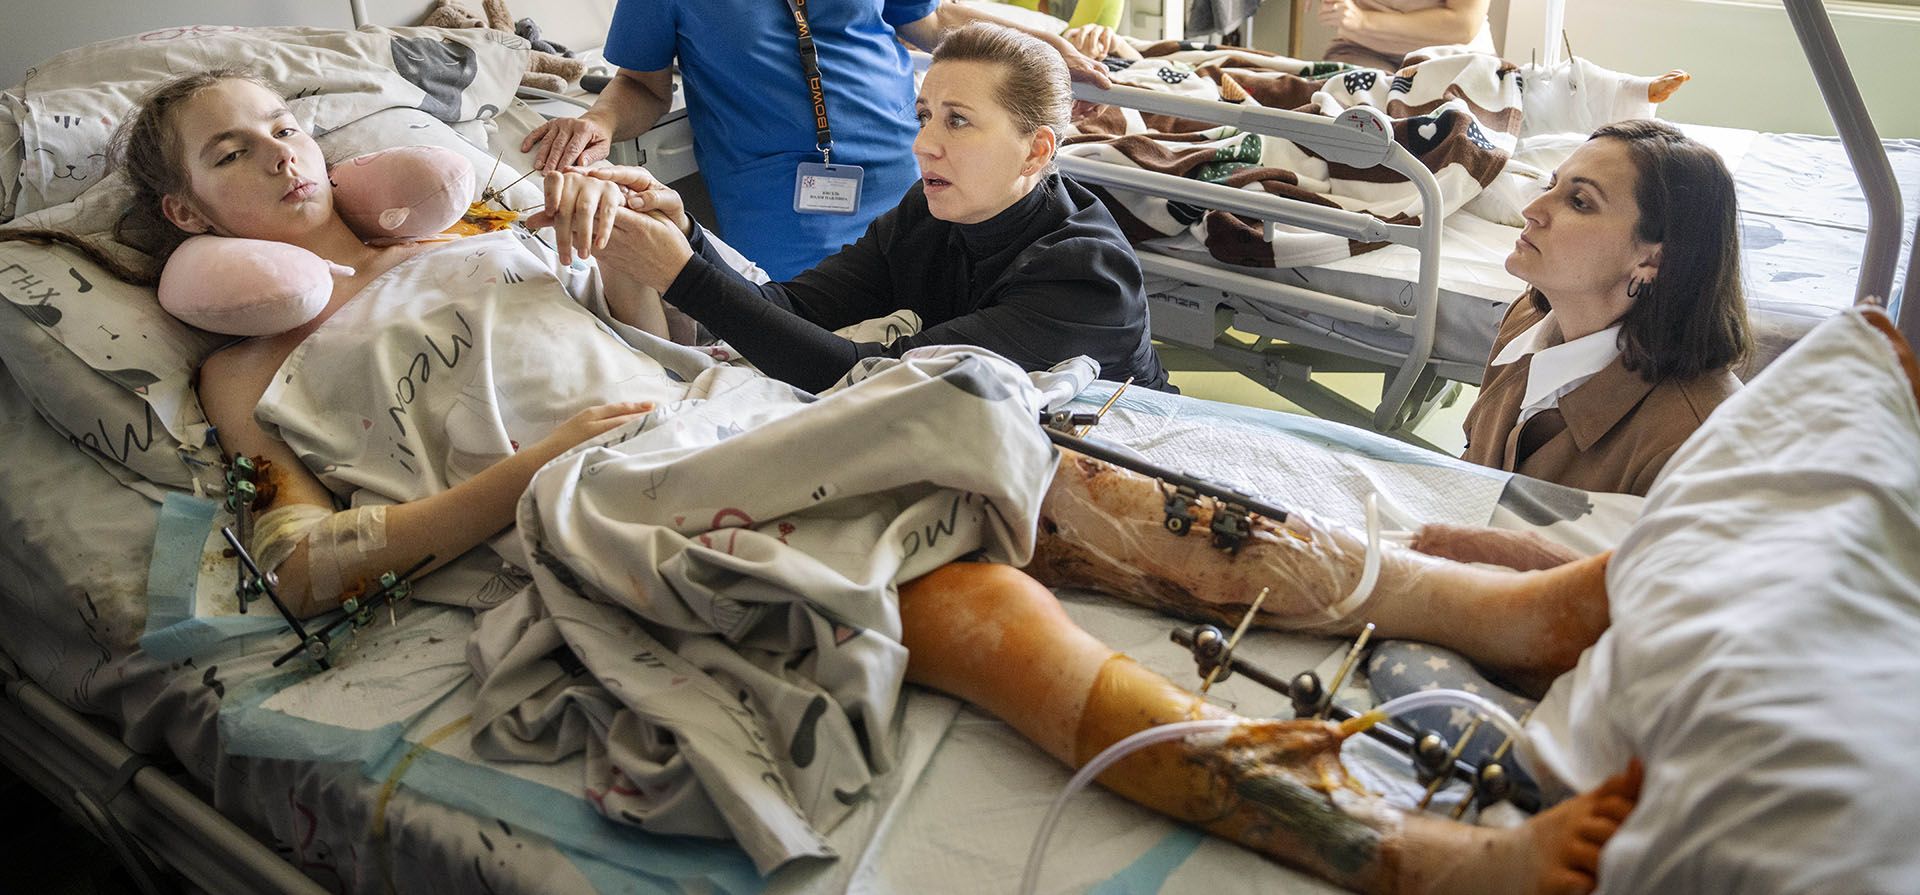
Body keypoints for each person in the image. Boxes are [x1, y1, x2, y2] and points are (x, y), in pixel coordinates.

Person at [103, 66, 1640, 894]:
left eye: (292, 122)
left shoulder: (476, 230)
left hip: (707, 419)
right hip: (592, 499)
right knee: (964, 569)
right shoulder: (252, 364)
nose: (289, 155)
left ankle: (1484, 608)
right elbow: (304, 566)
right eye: (239, 153)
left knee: (1030, 449)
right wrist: (527, 471)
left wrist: (649, 269)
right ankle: (1390, 848)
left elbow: (639, 338)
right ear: (189, 209)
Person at [569, 23, 1173, 393]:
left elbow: (861, 375)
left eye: (958, 121)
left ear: (1035, 150)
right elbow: (792, 309)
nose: (924, 144)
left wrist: (679, 274)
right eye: (925, 116)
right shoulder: (928, 215)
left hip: (1116, 441)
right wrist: (684, 229)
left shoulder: (1083, 276)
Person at [520, 0, 1111, 280]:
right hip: (782, 197)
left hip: (909, 161)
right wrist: (596, 123)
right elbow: (640, 86)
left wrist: (1040, 48)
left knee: (940, 310)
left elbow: (926, 24)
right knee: (809, 337)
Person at [1461, 120, 1749, 496]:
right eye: (1551, 185)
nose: (1532, 209)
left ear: (1652, 261)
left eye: (1579, 202)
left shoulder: (1695, 443)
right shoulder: (1527, 319)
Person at [1316, 0, 1495, 72]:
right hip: (1362, 48)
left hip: (1452, 55)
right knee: (1347, 121)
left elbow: (1463, 26)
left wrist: (1364, 20)